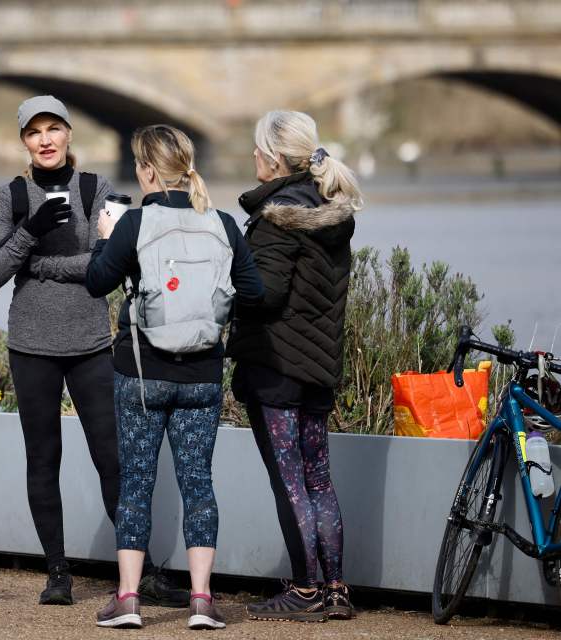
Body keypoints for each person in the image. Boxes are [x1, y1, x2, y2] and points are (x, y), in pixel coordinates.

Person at [0, 96, 186, 607]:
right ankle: (57, 573)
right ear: (24, 140)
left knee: (112, 459)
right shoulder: (10, 197)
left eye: (54, 129)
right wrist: (30, 234)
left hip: (92, 344)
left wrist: (45, 268)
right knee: (42, 459)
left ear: (69, 134)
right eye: (34, 132)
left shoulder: (98, 189)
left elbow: (108, 263)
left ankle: (145, 572)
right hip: (30, 346)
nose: (45, 140)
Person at [86, 124, 264, 630]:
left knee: (137, 484)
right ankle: (202, 600)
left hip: (141, 375)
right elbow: (255, 292)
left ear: (145, 170)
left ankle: (127, 600)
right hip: (203, 376)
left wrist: (105, 241)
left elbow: (96, 283)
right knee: (198, 484)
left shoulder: (135, 224)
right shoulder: (223, 224)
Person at [226, 110, 362, 622]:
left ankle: (304, 592)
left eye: (258, 150)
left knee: (290, 481)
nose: (254, 158)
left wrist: (231, 285)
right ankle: (336, 588)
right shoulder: (331, 212)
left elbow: (267, 293)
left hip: (278, 365)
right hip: (319, 365)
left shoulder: (277, 217)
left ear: (276, 158)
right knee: (319, 479)